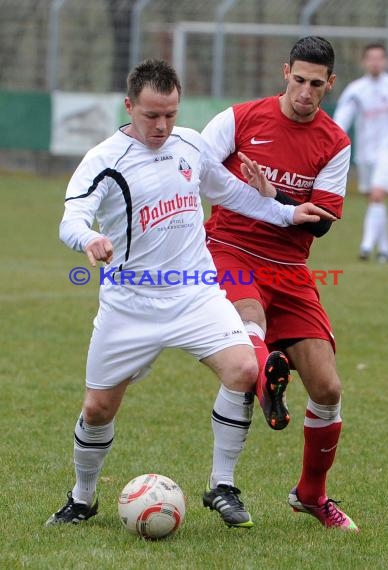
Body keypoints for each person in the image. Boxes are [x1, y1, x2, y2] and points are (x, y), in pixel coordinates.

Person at [45, 59, 333, 529]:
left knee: (244, 369)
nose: (162, 126)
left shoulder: (190, 146)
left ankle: (223, 485)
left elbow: (234, 194)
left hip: (195, 294)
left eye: (170, 115)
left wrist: (285, 214)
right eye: (151, 115)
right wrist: (88, 238)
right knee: (97, 408)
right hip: (130, 303)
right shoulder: (104, 159)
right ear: (128, 106)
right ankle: (82, 497)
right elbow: (72, 216)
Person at [201, 36, 359, 531]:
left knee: (329, 388)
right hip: (229, 248)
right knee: (251, 321)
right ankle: (264, 370)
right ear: (284, 72)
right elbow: (196, 171)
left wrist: (279, 201)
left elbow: (322, 222)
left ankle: (311, 494)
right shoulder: (239, 118)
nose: (306, 92)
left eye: (317, 84)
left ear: (329, 84)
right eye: (299, 80)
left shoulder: (334, 143)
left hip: (288, 268)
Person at [334, 42, 388, 263]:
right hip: (367, 154)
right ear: (364, 62)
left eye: (379, 58)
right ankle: (385, 250)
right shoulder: (356, 90)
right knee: (376, 200)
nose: (375, 62)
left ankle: (366, 246)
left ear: (386, 61)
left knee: (378, 194)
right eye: (371, 58)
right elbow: (341, 120)